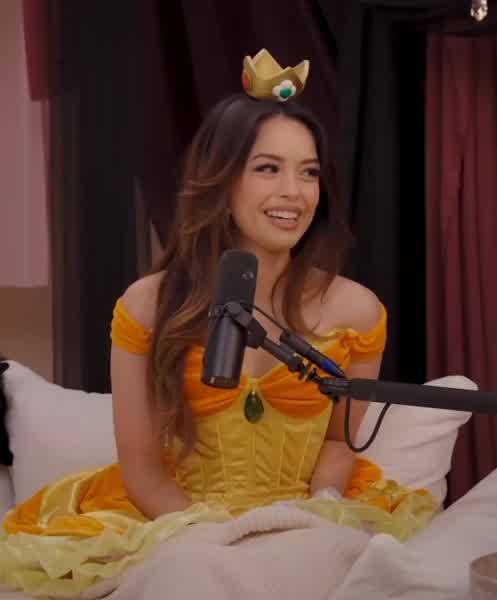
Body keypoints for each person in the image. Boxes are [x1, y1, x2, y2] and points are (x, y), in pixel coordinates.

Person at [0, 49, 436, 597]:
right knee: (192, 574)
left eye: (308, 173)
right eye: (267, 168)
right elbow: (142, 472)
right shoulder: (147, 306)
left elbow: (337, 444)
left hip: (304, 523)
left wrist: (314, 513)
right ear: (222, 181)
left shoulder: (358, 311)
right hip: (180, 523)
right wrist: (214, 535)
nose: (293, 192)